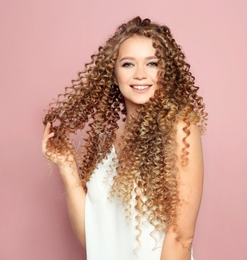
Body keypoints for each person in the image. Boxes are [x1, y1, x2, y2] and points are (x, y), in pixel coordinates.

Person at [42, 16, 207, 260]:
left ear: (166, 72)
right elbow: (95, 238)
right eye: (128, 64)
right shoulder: (109, 140)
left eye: (152, 63)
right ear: (113, 72)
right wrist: (67, 168)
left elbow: (181, 238)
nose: (140, 74)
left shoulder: (179, 129)